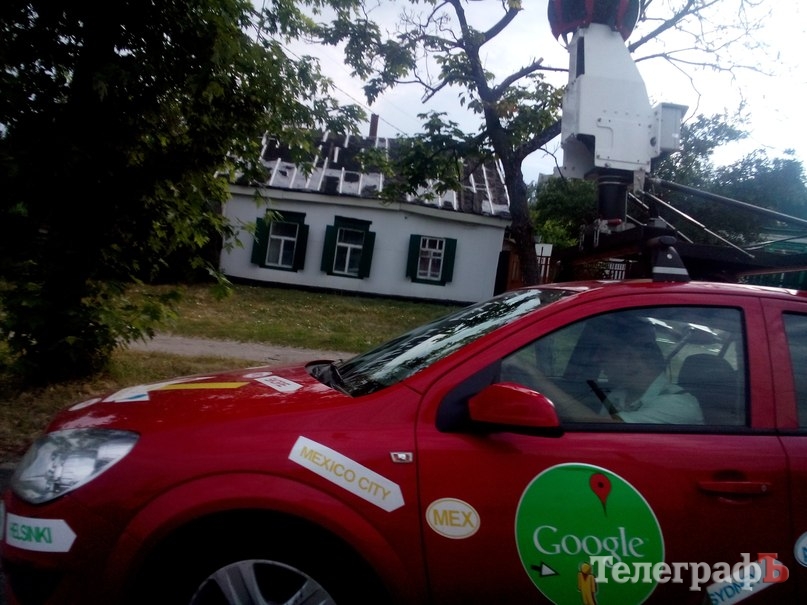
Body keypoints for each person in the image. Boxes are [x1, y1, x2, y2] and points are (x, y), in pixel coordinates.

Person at [506, 314, 704, 424]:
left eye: (605, 350)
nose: (596, 358)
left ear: (631, 357)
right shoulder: (620, 394)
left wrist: (534, 375)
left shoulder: (677, 405)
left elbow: (597, 427)